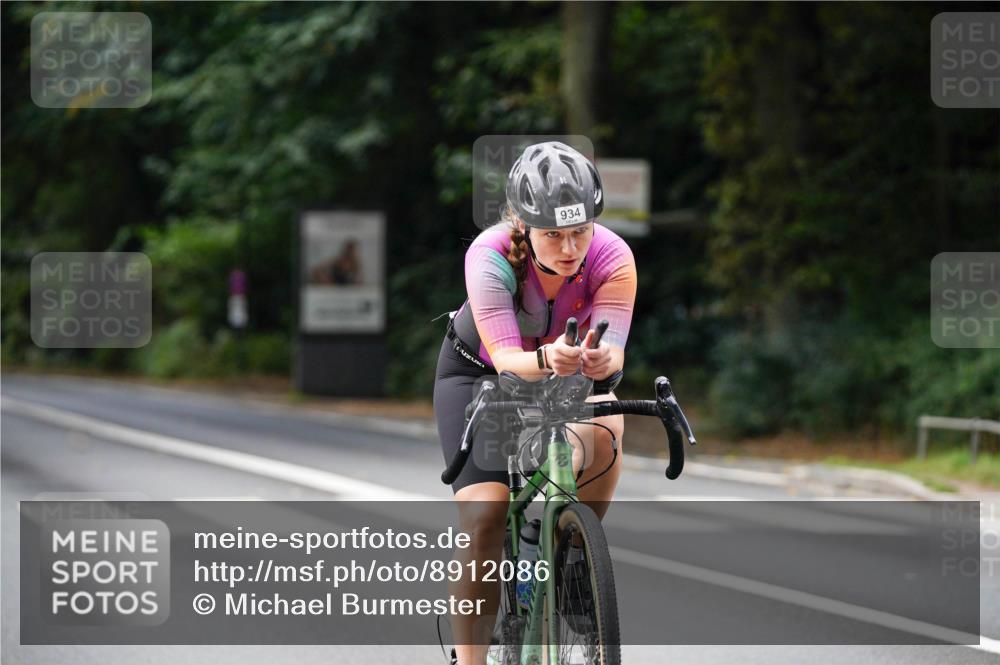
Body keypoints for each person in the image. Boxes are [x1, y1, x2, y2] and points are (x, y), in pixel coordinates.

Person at [433, 141, 637, 665]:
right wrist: (549, 358)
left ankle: (574, 554)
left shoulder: (613, 256)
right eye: (553, 234)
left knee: (608, 424)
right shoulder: (491, 254)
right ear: (523, 226)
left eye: (580, 231)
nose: (569, 248)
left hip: (562, 370)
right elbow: (506, 360)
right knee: (485, 516)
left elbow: (613, 352)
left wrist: (602, 360)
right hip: (480, 375)